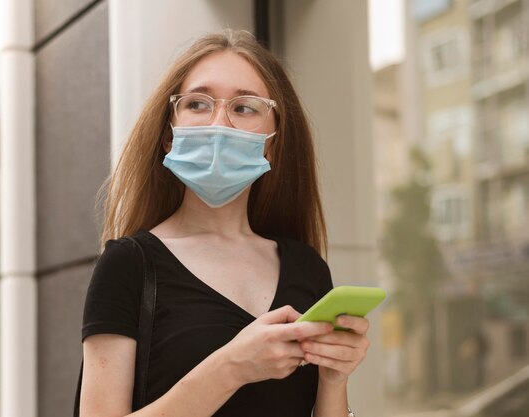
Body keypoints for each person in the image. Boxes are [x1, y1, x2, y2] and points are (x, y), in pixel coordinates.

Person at [79, 29, 371, 417]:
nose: (219, 123)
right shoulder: (129, 265)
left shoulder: (308, 268)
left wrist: (335, 378)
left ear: (273, 140)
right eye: (198, 104)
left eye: (245, 108)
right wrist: (232, 367)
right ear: (169, 134)